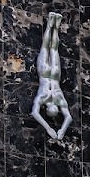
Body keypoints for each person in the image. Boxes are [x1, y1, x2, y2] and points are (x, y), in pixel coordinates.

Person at [31, 12, 72, 141]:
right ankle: (55, 26)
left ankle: (51, 25)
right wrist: (62, 130)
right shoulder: (58, 98)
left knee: (47, 47)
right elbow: (69, 117)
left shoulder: (44, 97)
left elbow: (34, 113)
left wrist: (49, 128)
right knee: (53, 49)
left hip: (47, 74)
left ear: (48, 108)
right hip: (53, 75)